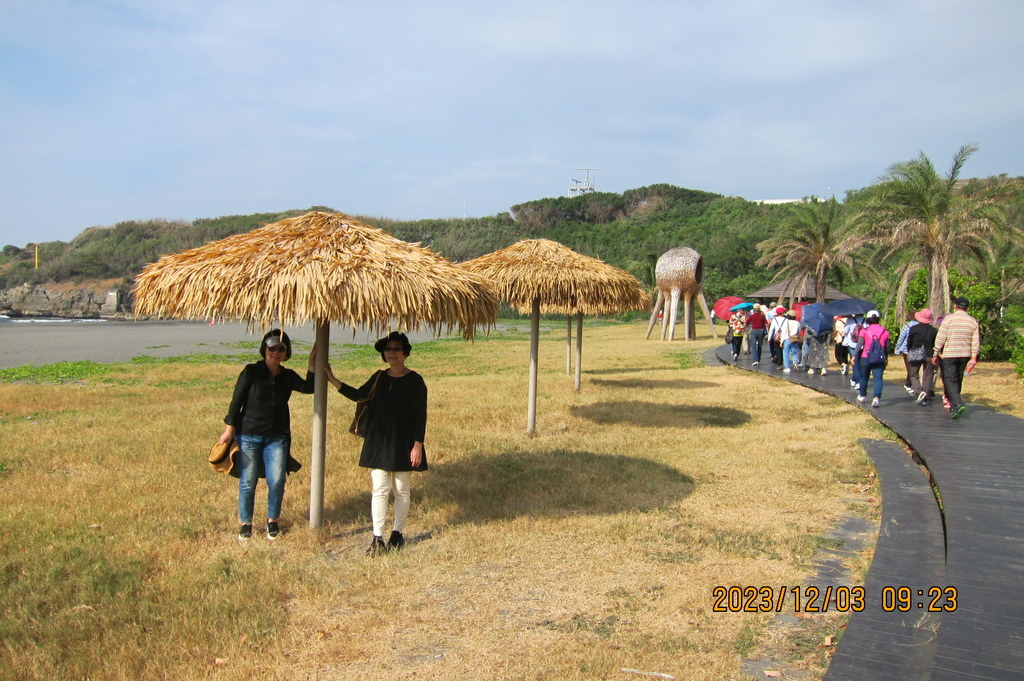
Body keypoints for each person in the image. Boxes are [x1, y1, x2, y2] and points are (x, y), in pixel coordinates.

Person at [325, 332, 428, 555]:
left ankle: (398, 533)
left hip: (404, 442)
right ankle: (377, 536)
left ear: (405, 353)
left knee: (401, 489)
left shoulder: (415, 380)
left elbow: (421, 415)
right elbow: (360, 396)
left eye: (397, 349)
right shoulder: (379, 377)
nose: (392, 353)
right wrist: (332, 379)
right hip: (379, 440)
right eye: (388, 349)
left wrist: (417, 444)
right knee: (380, 489)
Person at [219, 330, 316, 541]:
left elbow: (309, 388)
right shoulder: (251, 372)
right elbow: (237, 402)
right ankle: (246, 523)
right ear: (264, 348)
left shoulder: (287, 376)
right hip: (250, 436)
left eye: (281, 349)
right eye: (272, 347)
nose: (276, 352)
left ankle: (272, 520)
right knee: (248, 481)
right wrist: (229, 430)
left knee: (277, 480)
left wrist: (311, 365)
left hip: (277, 437)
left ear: (287, 352)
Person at [933, 297, 980, 419]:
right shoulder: (972, 322)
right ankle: (954, 406)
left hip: (949, 354)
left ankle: (958, 404)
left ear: (955, 306)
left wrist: (935, 352)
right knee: (958, 379)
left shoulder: (949, 319)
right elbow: (975, 342)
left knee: (949, 379)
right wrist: (974, 356)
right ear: (967, 308)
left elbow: (941, 337)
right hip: (964, 354)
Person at [856, 310, 890, 408]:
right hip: (879, 358)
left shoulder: (864, 331)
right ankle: (876, 398)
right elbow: (887, 347)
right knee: (878, 379)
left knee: (864, 377)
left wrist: (854, 355)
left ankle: (862, 395)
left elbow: (859, 344)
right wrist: (886, 359)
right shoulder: (885, 331)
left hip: (865, 357)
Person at [906, 308, 938, 405]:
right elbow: (935, 343)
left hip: (915, 353)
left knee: (913, 374)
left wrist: (909, 350)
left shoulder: (914, 329)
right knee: (928, 375)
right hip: (929, 354)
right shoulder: (933, 330)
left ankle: (919, 391)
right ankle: (926, 395)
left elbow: (909, 342)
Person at [894, 313, 919, 396]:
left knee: (909, 368)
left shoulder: (907, 326)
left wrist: (897, 348)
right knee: (914, 368)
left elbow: (902, 337)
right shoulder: (921, 325)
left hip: (906, 349)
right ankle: (909, 383)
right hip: (917, 349)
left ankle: (910, 385)